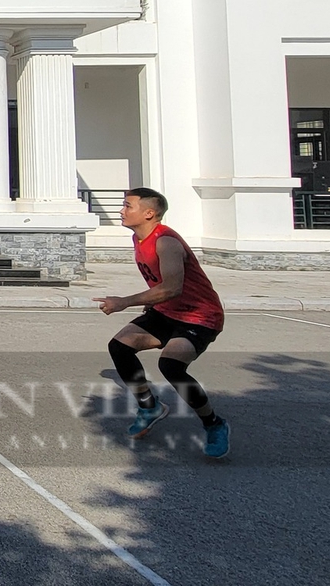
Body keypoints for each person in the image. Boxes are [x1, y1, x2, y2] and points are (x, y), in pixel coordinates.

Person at [94, 187, 231, 459]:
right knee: (120, 347)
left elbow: (172, 288)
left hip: (199, 315)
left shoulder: (166, 242)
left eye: (127, 206)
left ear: (149, 213)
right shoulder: (138, 237)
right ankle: (150, 407)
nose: (121, 210)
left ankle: (214, 424)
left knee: (171, 365)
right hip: (167, 311)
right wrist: (152, 300)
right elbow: (161, 288)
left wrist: (124, 301)